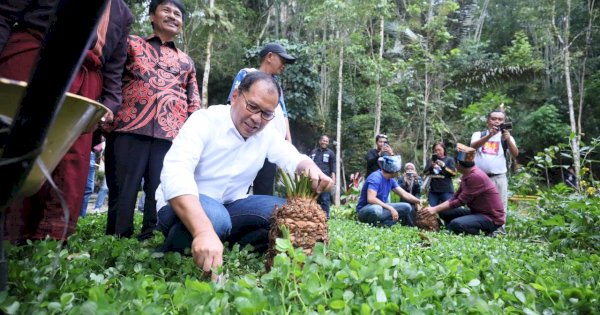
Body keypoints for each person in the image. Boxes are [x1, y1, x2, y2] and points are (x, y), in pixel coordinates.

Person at [155, 71, 333, 277]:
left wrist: (311, 168)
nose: (257, 119)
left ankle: (220, 240)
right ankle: (184, 242)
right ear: (236, 96)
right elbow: (176, 173)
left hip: (231, 205)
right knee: (216, 219)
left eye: (266, 114)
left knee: (287, 212)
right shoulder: (205, 121)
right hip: (183, 204)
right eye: (253, 107)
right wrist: (203, 231)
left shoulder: (266, 134)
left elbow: (292, 157)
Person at [1, 0, 132, 242]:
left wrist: (111, 104)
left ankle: (49, 240)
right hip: (34, 57)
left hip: (86, 80)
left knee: (70, 161)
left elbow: (114, 66)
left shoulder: (123, 13)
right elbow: (5, 13)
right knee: (17, 141)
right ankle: (9, 232)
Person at [105, 0, 200, 240]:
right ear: (151, 17)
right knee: (123, 189)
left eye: (178, 14)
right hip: (129, 126)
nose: (173, 16)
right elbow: (113, 76)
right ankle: (117, 238)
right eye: (166, 11)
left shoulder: (187, 61)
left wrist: (191, 135)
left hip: (171, 134)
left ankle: (152, 235)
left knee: (160, 189)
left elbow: (194, 100)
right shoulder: (131, 44)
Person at [226, 42, 296, 196]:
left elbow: (284, 114)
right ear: (269, 57)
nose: (284, 65)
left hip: (271, 146)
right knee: (240, 189)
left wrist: (287, 142)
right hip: (249, 141)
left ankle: (260, 219)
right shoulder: (247, 74)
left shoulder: (276, 87)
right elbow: (233, 103)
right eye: (282, 60)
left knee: (265, 189)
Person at [421, 144, 505, 235]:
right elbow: (455, 197)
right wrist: (436, 208)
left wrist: (434, 209)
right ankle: (451, 232)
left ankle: (485, 234)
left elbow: (460, 201)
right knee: (444, 212)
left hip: (491, 218)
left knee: (456, 224)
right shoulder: (467, 175)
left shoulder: (475, 176)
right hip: (477, 212)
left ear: (458, 164)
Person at [470, 110, 518, 233]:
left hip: (498, 177)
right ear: (488, 122)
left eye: (500, 119)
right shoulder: (479, 134)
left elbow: (515, 154)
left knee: (500, 206)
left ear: (504, 122)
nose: (497, 121)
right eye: (493, 118)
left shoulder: (507, 137)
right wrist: (489, 136)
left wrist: (507, 140)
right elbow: (472, 147)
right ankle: (478, 229)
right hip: (479, 177)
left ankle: (499, 232)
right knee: (477, 203)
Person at [356, 155, 421, 227]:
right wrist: (390, 208)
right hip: (365, 211)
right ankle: (371, 227)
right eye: (397, 171)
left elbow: (404, 194)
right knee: (376, 208)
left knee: (407, 207)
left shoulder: (391, 180)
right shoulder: (375, 177)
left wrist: (419, 201)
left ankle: (384, 226)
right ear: (393, 171)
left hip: (381, 208)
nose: (399, 173)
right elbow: (371, 199)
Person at [309, 135, 336, 217]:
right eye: (323, 140)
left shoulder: (330, 153)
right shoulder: (313, 152)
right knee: (313, 198)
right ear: (320, 141)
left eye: (326, 141)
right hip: (314, 179)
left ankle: (325, 217)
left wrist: (333, 180)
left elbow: (333, 167)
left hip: (326, 180)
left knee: (325, 199)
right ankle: (313, 216)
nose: (325, 142)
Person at [423, 142, 456, 207]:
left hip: (446, 190)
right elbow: (425, 173)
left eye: (439, 150)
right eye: (435, 150)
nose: (437, 152)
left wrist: (443, 166)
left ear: (444, 150)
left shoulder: (449, 159)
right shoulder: (430, 160)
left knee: (449, 209)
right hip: (433, 191)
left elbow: (453, 173)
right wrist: (431, 167)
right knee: (430, 210)